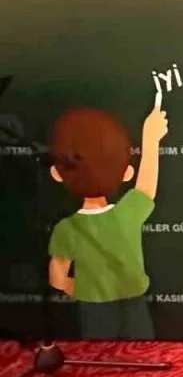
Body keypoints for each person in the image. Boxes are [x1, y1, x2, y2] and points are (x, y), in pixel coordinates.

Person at [47, 91, 168, 340]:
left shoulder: (66, 228)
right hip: (134, 304)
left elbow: (58, 279)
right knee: (139, 351)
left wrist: (86, 288)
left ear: (57, 173)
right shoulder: (127, 213)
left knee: (99, 355)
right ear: (126, 172)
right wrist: (151, 139)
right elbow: (146, 184)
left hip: (93, 308)